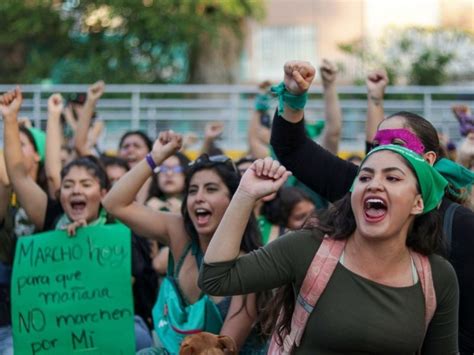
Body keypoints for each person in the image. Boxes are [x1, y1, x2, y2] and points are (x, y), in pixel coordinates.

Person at [269, 60, 474, 354]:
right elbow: (291, 148)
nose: (383, 152)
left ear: (428, 160)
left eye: (396, 143)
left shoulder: (462, 226)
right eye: (377, 145)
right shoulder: (359, 190)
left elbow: (466, 330)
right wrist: (293, 95)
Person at [199, 146, 459, 354]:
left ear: (417, 203)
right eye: (365, 177)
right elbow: (215, 278)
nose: (374, 184)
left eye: (392, 178)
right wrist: (245, 194)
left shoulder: (437, 277)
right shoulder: (308, 248)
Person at [103, 131, 268, 353]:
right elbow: (114, 204)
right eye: (192, 190)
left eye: (211, 189)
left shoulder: (248, 267)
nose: (199, 197)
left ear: (234, 200)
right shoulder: (179, 232)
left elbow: (224, 350)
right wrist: (155, 157)